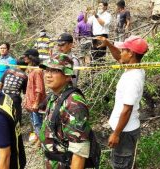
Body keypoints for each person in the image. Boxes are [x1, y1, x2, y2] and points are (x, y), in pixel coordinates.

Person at [96, 35, 148, 169]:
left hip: (124, 132)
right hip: (126, 129)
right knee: (127, 163)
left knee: (121, 165)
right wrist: (108, 44)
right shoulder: (134, 68)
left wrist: (116, 134)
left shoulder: (132, 79)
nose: (121, 52)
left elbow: (127, 110)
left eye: (124, 49)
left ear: (130, 53)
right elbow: (119, 57)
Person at [38, 55, 91, 169]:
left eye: (55, 71)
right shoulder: (55, 96)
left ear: (67, 76)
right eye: (47, 70)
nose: (48, 75)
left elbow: (79, 153)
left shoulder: (74, 104)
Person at [22, 49, 46, 148]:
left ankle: (40, 142)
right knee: (34, 122)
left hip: (35, 102)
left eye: (26, 56)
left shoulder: (37, 71)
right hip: (30, 101)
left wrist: (36, 103)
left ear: (31, 57)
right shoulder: (31, 70)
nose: (24, 58)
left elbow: (39, 89)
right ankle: (37, 138)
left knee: (37, 123)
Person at [0, 58, 28, 124]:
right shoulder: (25, 76)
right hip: (15, 98)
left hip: (3, 96)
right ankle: (16, 132)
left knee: (4, 115)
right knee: (16, 116)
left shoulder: (8, 71)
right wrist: (25, 101)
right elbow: (25, 92)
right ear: (26, 66)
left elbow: (0, 84)